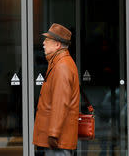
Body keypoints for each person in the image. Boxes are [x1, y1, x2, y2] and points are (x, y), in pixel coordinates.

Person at [33, 23, 80, 156]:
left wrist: (53, 134)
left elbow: (60, 103)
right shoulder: (58, 63)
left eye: (47, 40)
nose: (43, 43)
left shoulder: (62, 66)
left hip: (57, 141)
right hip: (58, 140)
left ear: (57, 45)